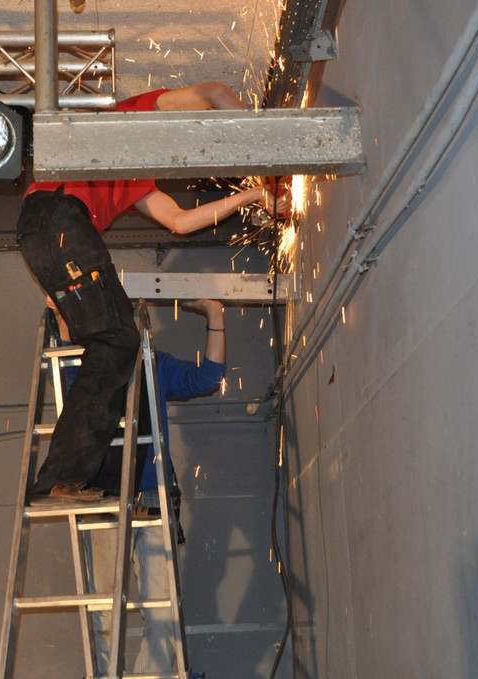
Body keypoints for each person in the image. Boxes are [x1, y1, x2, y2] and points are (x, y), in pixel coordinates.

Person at [16, 82, 289, 501]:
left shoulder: (137, 177)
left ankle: (90, 480)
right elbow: (215, 93)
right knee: (117, 342)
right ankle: (61, 476)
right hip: (59, 218)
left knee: (117, 348)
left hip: (49, 231)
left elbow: (179, 222)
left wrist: (255, 194)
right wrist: (275, 164)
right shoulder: (132, 117)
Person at [53, 298, 225, 677]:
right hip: (101, 498)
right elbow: (67, 382)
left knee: (163, 612)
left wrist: (215, 314)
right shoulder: (93, 368)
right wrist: (64, 322)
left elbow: (208, 378)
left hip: (150, 494)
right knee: (103, 612)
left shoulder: (155, 364)